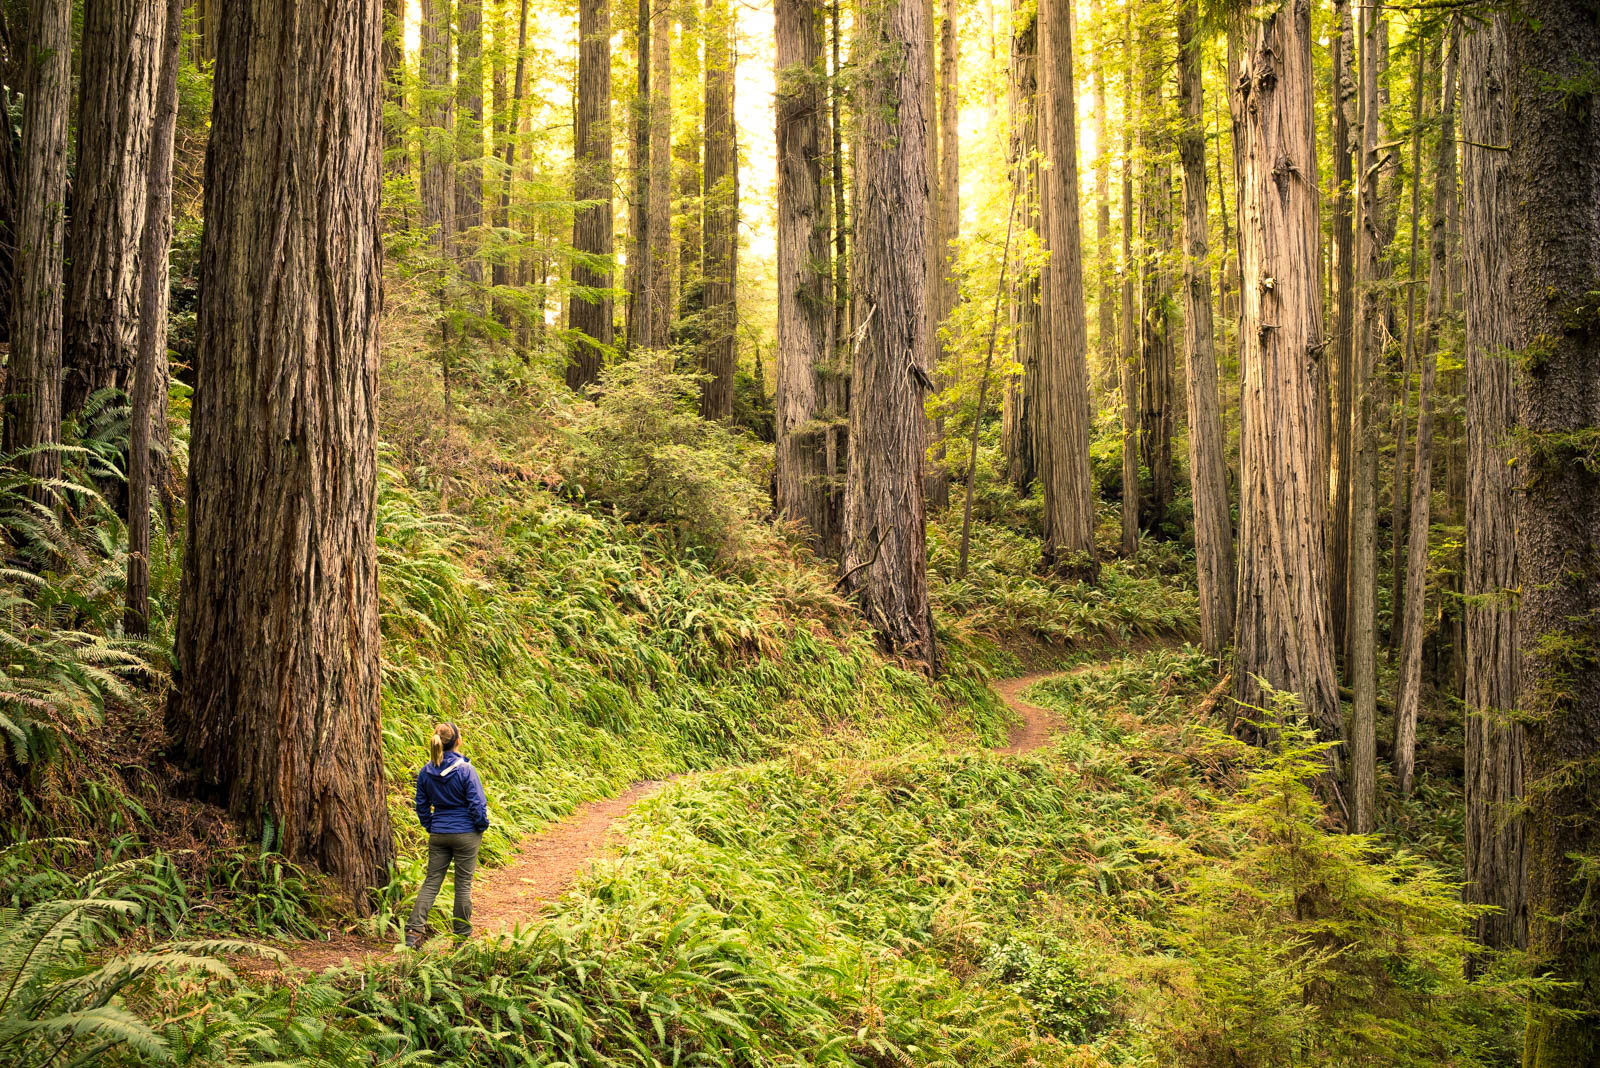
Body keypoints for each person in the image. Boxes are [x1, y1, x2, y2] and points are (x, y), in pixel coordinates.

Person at [405, 722, 489, 947]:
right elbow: (477, 804)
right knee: (463, 885)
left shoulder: (425, 771)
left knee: (432, 881)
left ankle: (414, 931)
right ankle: (461, 937)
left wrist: (431, 826)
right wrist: (480, 826)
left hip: (439, 832)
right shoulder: (465, 770)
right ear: (458, 741)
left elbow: (421, 805)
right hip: (465, 833)